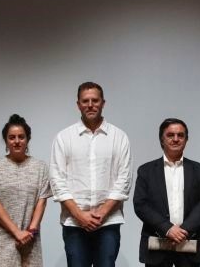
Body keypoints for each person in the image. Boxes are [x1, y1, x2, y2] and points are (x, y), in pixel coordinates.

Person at [49, 82, 132, 267]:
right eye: (85, 101)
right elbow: (57, 180)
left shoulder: (119, 137)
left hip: (109, 221)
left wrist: (102, 213)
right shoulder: (64, 138)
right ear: (78, 104)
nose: (90, 105)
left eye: (95, 100)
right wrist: (80, 215)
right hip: (74, 222)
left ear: (103, 103)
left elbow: (124, 180)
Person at [133, 118, 200, 266]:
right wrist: (167, 228)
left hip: (189, 241)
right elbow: (141, 204)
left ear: (186, 140)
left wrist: (184, 229)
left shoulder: (199, 170)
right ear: (162, 139)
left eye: (180, 135)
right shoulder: (146, 171)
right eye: (170, 135)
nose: (176, 139)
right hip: (157, 244)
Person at [0, 114, 51, 267]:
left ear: (28, 139)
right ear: (6, 141)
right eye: (12, 137)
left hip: (30, 238)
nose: (17, 141)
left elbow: (42, 201)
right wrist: (17, 233)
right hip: (1, 239)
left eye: (21, 137)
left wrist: (30, 232)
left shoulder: (40, 167)